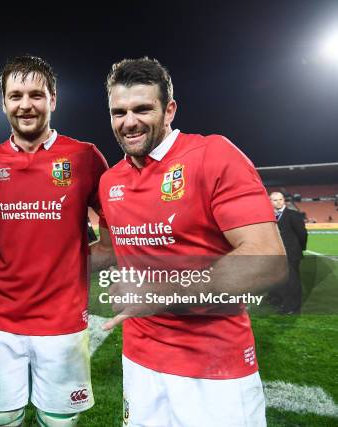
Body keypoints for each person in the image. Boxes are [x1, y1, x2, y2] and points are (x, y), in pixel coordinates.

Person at [92, 57, 288, 426]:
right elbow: (105, 250)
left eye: (142, 108)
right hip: (140, 361)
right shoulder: (110, 181)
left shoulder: (213, 155)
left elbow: (267, 258)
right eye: (118, 112)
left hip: (214, 366)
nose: (129, 121)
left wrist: (158, 292)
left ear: (169, 110)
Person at [0, 55, 109, 427]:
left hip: (63, 320)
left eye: (36, 94)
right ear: (3, 103)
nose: (25, 104)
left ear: (53, 99)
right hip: (0, 318)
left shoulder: (84, 156)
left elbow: (116, 220)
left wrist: (89, 258)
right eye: (15, 95)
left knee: (59, 420)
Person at [269, 192, 307, 314]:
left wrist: (298, 249)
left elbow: (302, 234)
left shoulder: (293, 215)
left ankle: (292, 307)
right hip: (276, 255)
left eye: (280, 199)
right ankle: (278, 299)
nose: (278, 202)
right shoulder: (269, 216)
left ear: (284, 200)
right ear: (270, 202)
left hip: (291, 254)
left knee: (292, 282)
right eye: (275, 200)